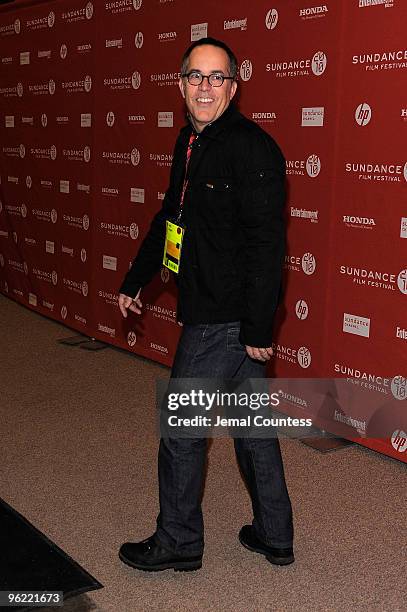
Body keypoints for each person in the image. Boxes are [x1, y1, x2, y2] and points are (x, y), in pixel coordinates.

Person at [118, 37, 294, 572]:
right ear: (180, 84)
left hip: (224, 316)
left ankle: (178, 541)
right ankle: (274, 534)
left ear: (234, 87)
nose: (204, 87)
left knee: (181, 432)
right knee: (254, 431)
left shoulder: (251, 148)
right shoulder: (188, 142)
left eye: (217, 78)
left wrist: (259, 327)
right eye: (196, 76)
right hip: (219, 309)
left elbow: (269, 246)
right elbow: (170, 218)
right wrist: (137, 279)